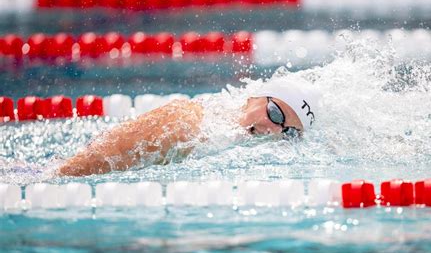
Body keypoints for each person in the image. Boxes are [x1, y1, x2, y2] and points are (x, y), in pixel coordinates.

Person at [59, 77, 320, 176]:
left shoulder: (228, 147)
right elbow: (93, 160)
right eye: (275, 114)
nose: (275, 130)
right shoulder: (185, 122)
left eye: (289, 132)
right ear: (254, 97)